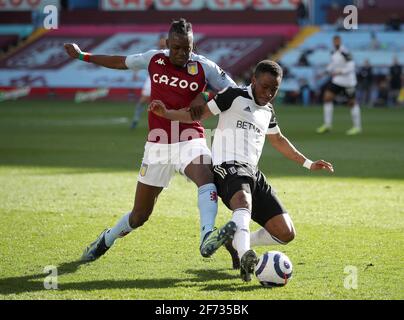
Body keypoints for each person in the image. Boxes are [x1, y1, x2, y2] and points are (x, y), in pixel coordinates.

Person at [63, 18, 238, 262]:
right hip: (157, 145)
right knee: (139, 215)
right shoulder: (154, 58)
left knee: (205, 176)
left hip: (189, 137)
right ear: (167, 44)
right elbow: (119, 61)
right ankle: (106, 239)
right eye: (176, 47)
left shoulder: (204, 67)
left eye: (186, 48)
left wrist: (205, 94)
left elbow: (233, 91)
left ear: (192, 45)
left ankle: (207, 235)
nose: (181, 53)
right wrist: (83, 56)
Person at [149, 60, 334, 282]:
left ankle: (235, 241)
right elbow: (195, 115)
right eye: (264, 86)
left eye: (274, 89)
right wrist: (167, 113)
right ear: (254, 80)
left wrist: (308, 163)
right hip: (228, 167)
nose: (268, 93)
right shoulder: (233, 95)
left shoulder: (268, 111)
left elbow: (278, 140)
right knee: (243, 203)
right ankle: (246, 255)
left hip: (253, 173)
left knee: (286, 233)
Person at [316, 35, 362, 135]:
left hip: (349, 81)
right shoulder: (333, 52)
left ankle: (357, 127)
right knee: (327, 98)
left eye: (337, 41)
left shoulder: (345, 52)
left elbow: (351, 67)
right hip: (337, 80)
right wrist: (324, 72)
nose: (335, 42)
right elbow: (332, 64)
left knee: (352, 103)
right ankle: (327, 125)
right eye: (334, 41)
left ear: (340, 41)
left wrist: (340, 72)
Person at [130, 35, 167, 129]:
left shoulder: (171, 54)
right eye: (160, 42)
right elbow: (140, 62)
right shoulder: (153, 53)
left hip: (166, 80)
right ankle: (135, 120)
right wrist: (136, 72)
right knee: (143, 100)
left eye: (163, 42)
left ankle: (165, 123)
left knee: (166, 102)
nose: (161, 44)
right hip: (152, 79)